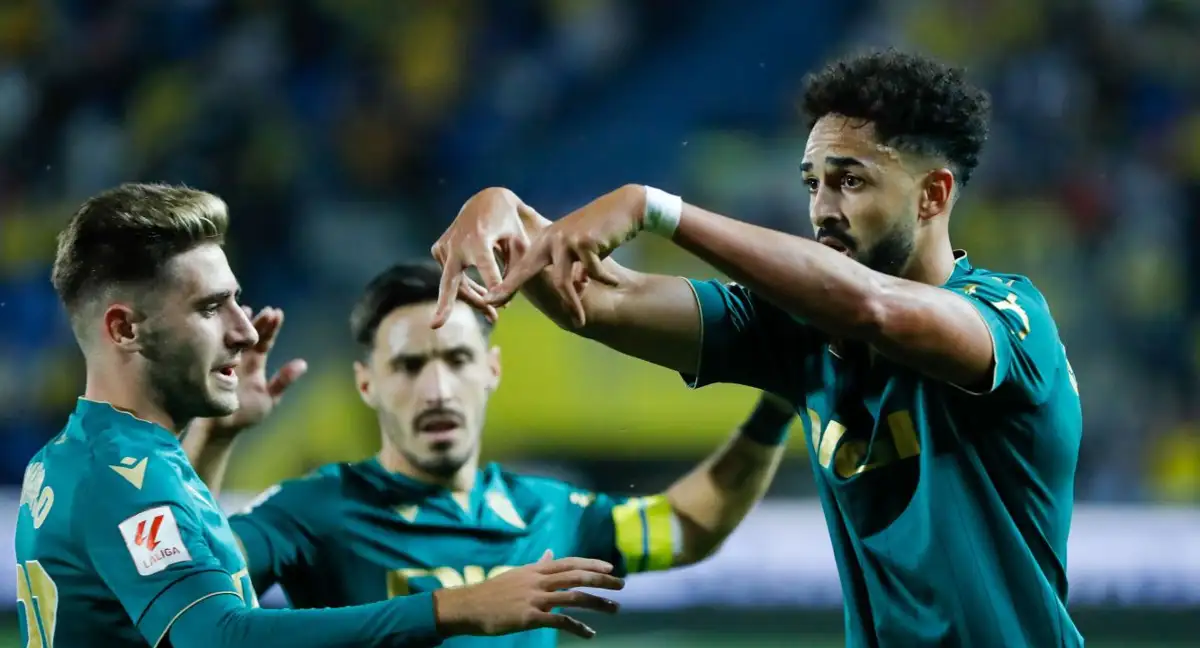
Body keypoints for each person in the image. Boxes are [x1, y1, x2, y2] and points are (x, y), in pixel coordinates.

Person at [431, 50, 1084, 648]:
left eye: (850, 182)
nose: (822, 209)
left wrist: (657, 210)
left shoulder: (1010, 317)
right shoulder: (798, 331)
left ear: (932, 195)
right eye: (812, 184)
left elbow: (874, 307)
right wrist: (505, 213)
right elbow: (603, 300)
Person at [14, 183, 624, 648]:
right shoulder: (124, 474)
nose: (243, 330)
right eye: (211, 308)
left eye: (237, 301)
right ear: (124, 329)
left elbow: (179, 582)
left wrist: (220, 438)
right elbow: (219, 636)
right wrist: (457, 607)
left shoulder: (82, 458)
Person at [182, 260, 795, 648]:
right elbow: (186, 598)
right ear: (367, 384)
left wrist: (777, 405)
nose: (437, 389)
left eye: (457, 360)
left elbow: (685, 527)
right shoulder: (314, 511)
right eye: (409, 366)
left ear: (491, 370)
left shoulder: (550, 514)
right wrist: (214, 437)